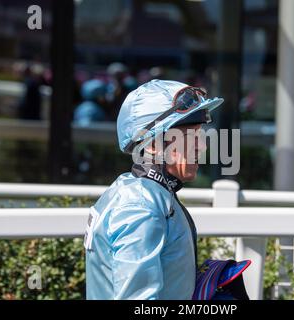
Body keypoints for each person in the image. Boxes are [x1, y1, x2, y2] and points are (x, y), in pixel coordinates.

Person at [84, 79, 225, 299]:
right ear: (152, 145)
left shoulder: (140, 191)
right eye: (190, 137)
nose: (202, 145)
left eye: (201, 135)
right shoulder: (140, 207)